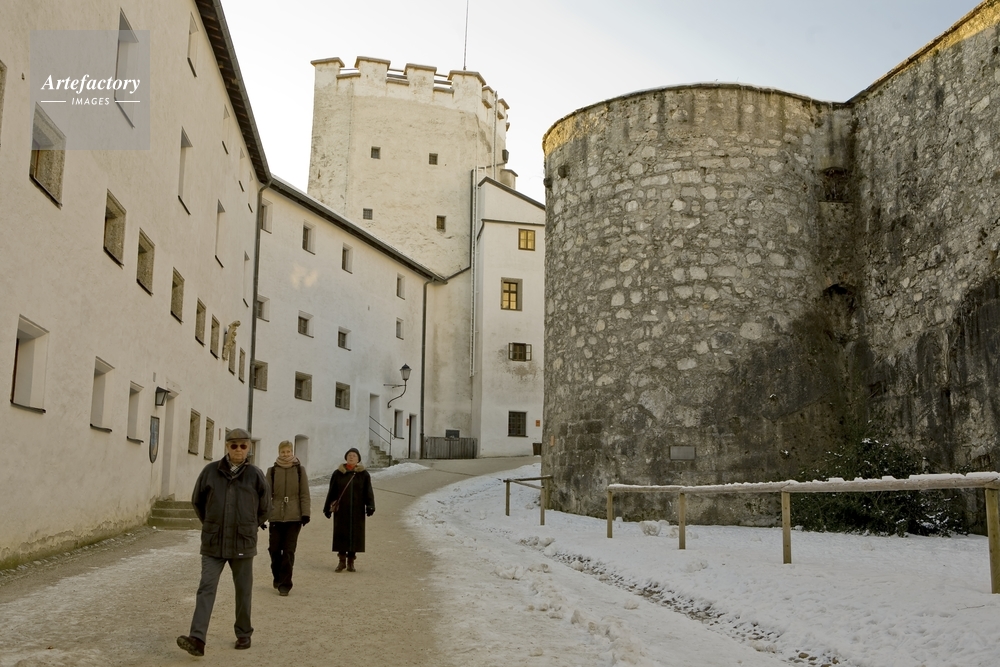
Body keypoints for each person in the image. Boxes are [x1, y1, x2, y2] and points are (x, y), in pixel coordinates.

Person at [176, 428, 270, 657]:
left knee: (243, 591)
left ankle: (243, 633)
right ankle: (197, 639)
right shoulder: (210, 471)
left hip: (243, 543)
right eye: (233, 445)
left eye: (243, 446)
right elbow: (197, 501)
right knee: (206, 588)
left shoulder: (255, 474)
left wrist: (249, 526)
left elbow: (266, 507)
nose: (238, 450)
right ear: (227, 446)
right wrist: (211, 524)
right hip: (213, 543)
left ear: (249, 448)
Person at [265, 440, 311, 596]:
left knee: (288, 551)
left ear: (292, 452)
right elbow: (265, 495)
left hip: (294, 516)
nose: (286, 454)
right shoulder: (272, 471)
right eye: (283, 452)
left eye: (288, 451)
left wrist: (305, 513)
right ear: (279, 453)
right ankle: (277, 576)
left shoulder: (299, 470)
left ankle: (285, 583)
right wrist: (262, 515)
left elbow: (304, 493)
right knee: (274, 550)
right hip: (276, 516)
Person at [323, 447, 375, 572]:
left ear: (358, 459)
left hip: (357, 510)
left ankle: (351, 561)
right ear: (346, 457)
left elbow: (368, 491)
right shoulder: (338, 473)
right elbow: (332, 491)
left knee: (355, 535)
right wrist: (327, 507)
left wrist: (370, 506)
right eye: (349, 455)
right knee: (341, 535)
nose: (351, 457)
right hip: (341, 510)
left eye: (354, 456)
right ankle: (341, 561)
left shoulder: (363, 474)